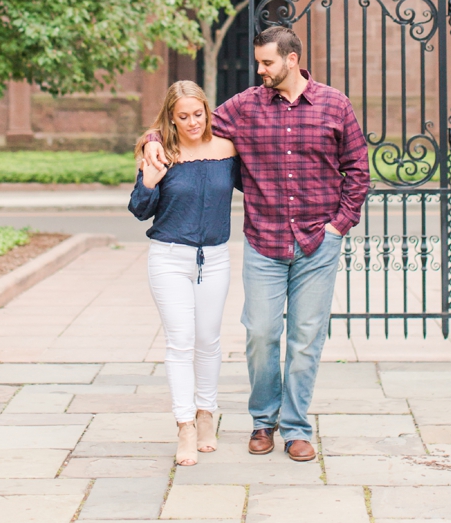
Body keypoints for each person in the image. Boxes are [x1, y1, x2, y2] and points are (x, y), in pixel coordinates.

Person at [141, 25, 369, 462]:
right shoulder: (245, 106)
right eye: (259, 61)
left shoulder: (334, 104)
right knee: (262, 335)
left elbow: (358, 170)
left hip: (318, 242)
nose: (259, 69)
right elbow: (190, 122)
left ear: (292, 60)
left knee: (305, 338)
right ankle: (264, 420)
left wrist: (339, 225)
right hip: (264, 241)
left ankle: (297, 428)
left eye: (267, 62)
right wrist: (153, 140)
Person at [129, 81, 239, 466]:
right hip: (169, 258)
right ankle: (185, 425)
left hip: (215, 258)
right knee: (181, 340)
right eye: (183, 116)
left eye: (198, 114)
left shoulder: (227, 149)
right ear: (171, 120)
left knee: (208, 339)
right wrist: (149, 178)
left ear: (207, 112)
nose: (193, 122)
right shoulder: (163, 154)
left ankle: (207, 414)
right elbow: (140, 210)